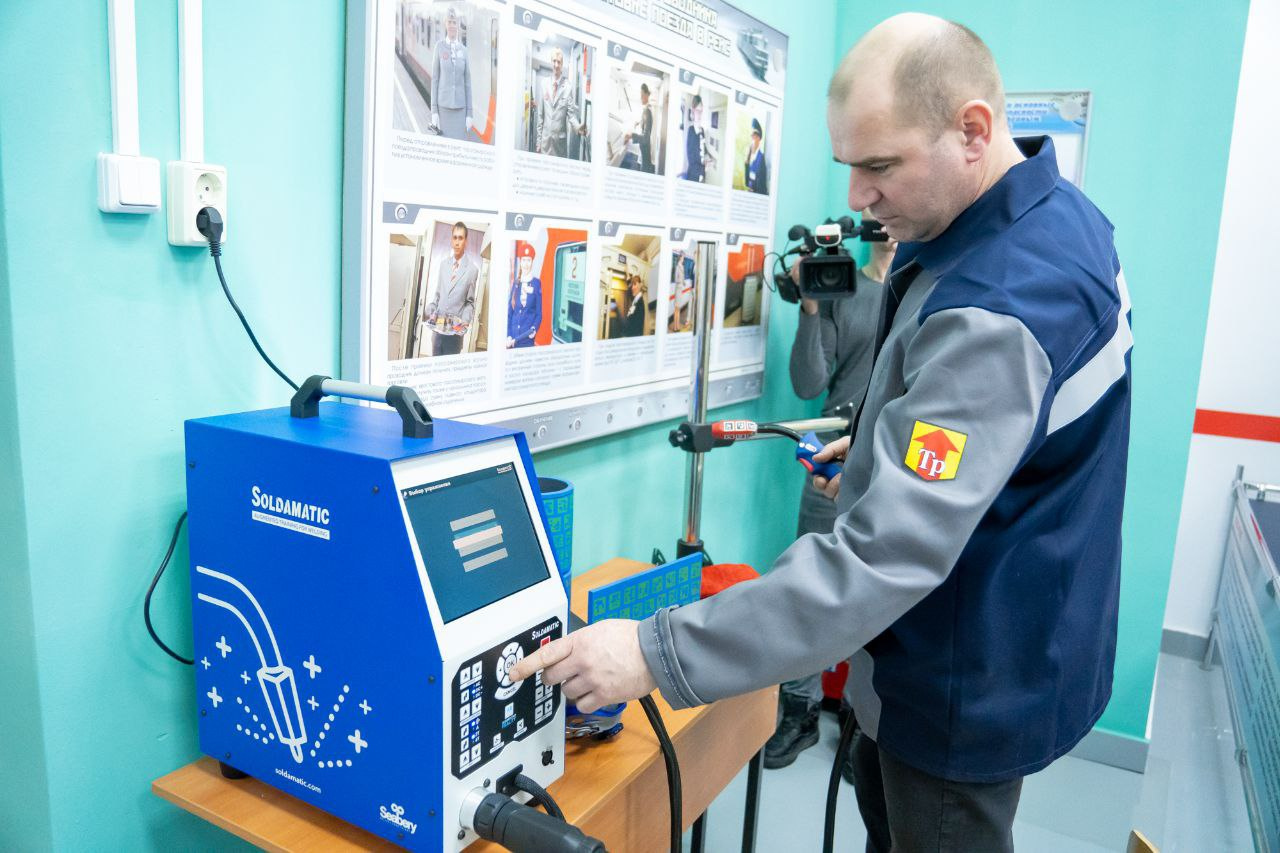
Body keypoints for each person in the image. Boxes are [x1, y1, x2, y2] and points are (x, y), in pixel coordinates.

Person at [511, 13, 1132, 853]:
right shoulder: (1059, 218)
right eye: (849, 166)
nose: (858, 197)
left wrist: (654, 652)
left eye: (880, 166)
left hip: (960, 683)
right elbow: (1011, 432)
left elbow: (880, 558)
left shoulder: (1004, 303)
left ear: (973, 131)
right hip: (1006, 631)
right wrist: (879, 448)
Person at [764, 210, 897, 775]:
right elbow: (809, 383)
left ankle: (862, 723)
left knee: (882, 591)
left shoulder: (926, 291)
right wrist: (811, 308)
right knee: (811, 583)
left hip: (892, 459)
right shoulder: (842, 288)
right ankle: (800, 710)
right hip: (834, 449)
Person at [424, 222, 479, 357]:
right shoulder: (443, 265)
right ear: (451, 240)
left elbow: (470, 303)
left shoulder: (472, 270)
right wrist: (430, 310)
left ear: (465, 241)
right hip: (437, 334)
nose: (457, 242)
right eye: (454, 238)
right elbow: (438, 296)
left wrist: (465, 320)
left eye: (460, 238)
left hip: (454, 337)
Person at [431, 7, 474, 141]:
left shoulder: (464, 51)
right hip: (443, 109)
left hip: (460, 110)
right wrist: (434, 111)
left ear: (458, 25)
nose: (452, 25)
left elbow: (467, 83)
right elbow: (435, 80)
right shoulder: (439, 47)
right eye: (449, 22)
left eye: (454, 22)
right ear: (445, 24)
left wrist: (469, 113)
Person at [538, 46, 588, 158]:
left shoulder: (568, 87)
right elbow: (540, 116)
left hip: (559, 145)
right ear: (551, 62)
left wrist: (578, 128)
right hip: (545, 142)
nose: (556, 65)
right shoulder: (544, 84)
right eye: (554, 61)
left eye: (559, 62)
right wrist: (538, 142)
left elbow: (571, 115)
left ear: (562, 64)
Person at [506, 241, 541, 348]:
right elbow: (510, 313)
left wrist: (534, 328)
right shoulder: (516, 283)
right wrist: (508, 335)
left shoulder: (536, 283)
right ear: (520, 262)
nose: (526, 264)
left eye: (528, 260)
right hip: (512, 338)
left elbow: (539, 313)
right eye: (524, 260)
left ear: (532, 262)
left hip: (527, 339)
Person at [683, 95, 715, 182]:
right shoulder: (691, 131)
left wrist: (710, 157)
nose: (700, 114)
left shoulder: (702, 130)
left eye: (701, 111)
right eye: (697, 110)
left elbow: (703, 147)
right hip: (693, 176)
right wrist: (705, 168)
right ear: (693, 110)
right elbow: (691, 162)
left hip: (702, 176)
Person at [618, 270, 647, 337]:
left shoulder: (640, 303)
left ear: (640, 285)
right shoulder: (635, 299)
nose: (632, 288)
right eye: (632, 285)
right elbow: (630, 290)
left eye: (635, 284)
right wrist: (628, 276)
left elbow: (635, 327)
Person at [743, 117, 768, 193]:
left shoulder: (761, 157)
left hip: (757, 191)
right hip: (750, 189)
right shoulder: (749, 155)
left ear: (758, 139)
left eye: (754, 137)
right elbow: (747, 180)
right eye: (752, 137)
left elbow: (761, 181)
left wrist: (754, 190)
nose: (752, 140)